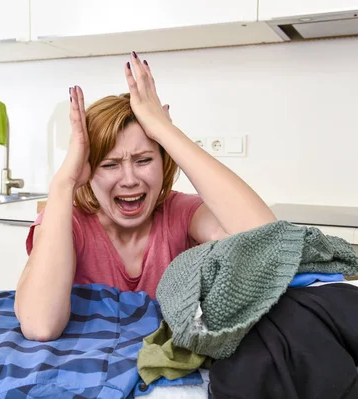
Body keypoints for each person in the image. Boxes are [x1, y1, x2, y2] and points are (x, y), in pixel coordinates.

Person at [14, 51, 276, 342]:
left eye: (143, 160)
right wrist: (63, 183)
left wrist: (167, 133)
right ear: (86, 171)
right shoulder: (67, 222)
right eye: (110, 164)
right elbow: (40, 326)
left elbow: (267, 239)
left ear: (163, 161)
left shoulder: (181, 213)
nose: (130, 180)